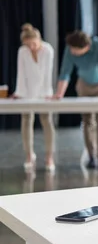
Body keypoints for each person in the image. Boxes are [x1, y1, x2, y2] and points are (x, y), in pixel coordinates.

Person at [53, 30, 98, 170]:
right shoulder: (69, 49)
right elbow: (65, 73)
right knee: (87, 121)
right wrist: (59, 94)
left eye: (75, 49)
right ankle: (91, 156)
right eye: (71, 49)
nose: (72, 51)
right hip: (83, 85)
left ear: (86, 47)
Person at [12, 23, 56, 172]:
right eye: (27, 44)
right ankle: (29, 155)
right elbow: (21, 73)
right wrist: (19, 93)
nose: (31, 47)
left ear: (39, 38)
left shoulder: (48, 50)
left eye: (33, 44)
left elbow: (47, 74)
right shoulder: (22, 51)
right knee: (26, 121)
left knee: (47, 121)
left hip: (44, 92)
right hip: (27, 92)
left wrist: (46, 95)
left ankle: (49, 156)